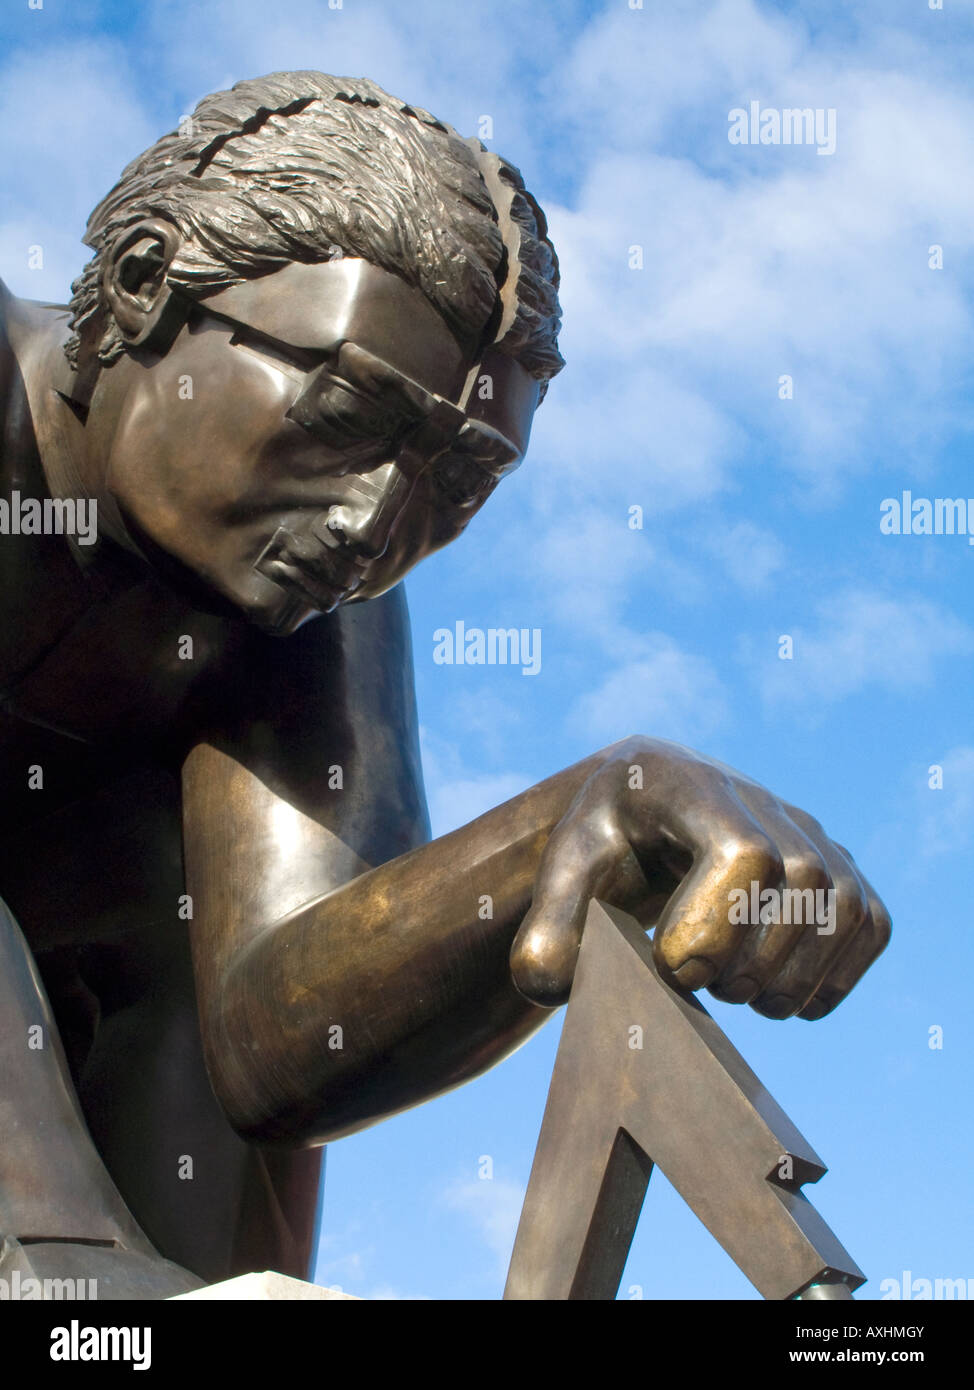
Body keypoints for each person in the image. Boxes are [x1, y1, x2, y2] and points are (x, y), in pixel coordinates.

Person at [0, 71, 889, 1297]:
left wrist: (578, 825)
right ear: (149, 285)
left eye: (457, 482)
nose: (374, 524)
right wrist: (58, 1258)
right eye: (348, 408)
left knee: (164, 918)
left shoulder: (306, 585)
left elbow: (278, 1041)